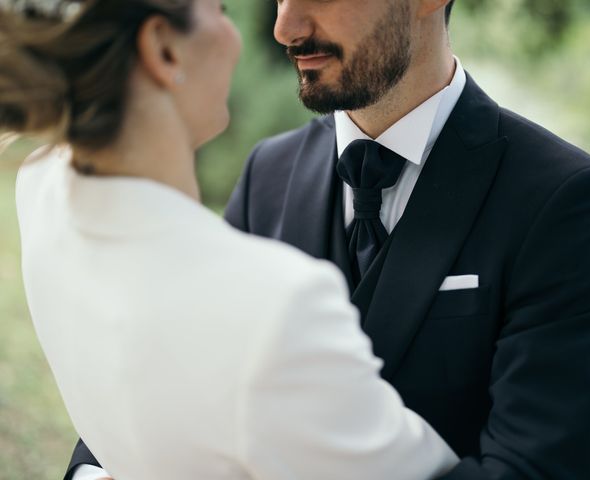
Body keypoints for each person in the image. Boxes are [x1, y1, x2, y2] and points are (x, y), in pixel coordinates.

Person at [62, 0, 590, 478]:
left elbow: (535, 471)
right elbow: (170, 378)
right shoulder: (269, 173)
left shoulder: (564, 200)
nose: (286, 27)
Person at [2, 0, 462, 479]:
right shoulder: (277, 304)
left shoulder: (38, 190)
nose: (281, 33)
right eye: (220, 9)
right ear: (164, 50)